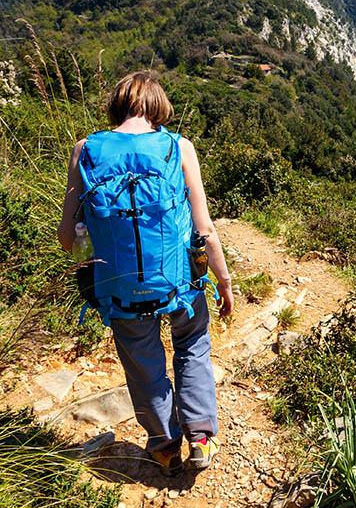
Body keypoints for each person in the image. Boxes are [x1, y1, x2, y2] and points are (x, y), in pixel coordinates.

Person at [58, 72, 233, 475]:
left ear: (117, 105)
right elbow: (204, 230)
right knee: (192, 346)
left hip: (119, 290)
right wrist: (223, 282)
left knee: (143, 365)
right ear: (158, 108)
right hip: (180, 285)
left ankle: (165, 445)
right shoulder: (178, 147)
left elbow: (68, 237)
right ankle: (201, 437)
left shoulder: (85, 150)